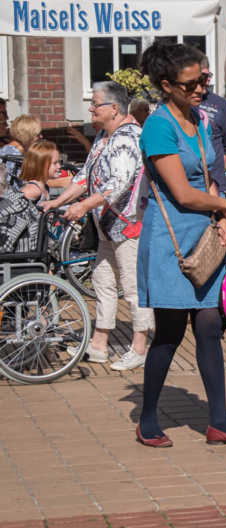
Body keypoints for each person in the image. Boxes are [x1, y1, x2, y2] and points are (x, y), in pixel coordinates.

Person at [136, 41, 226, 447]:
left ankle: (220, 422)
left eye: (204, 79)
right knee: (170, 333)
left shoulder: (199, 121)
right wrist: (225, 206)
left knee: (210, 327)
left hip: (204, 236)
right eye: (192, 82)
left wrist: (222, 219)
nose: (201, 88)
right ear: (166, 85)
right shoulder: (159, 125)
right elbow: (182, 192)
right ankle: (148, 417)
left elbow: (209, 175)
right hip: (172, 239)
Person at [41, 81, 154, 371]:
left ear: (114, 108)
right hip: (106, 225)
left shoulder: (128, 138)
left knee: (133, 287)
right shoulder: (105, 136)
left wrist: (83, 206)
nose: (90, 108)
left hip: (129, 225)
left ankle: (140, 347)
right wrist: (58, 202)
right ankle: (99, 344)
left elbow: (120, 182)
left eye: (95, 103)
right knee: (103, 283)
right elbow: (83, 177)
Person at [0, 140, 59, 253]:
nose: (59, 166)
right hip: (26, 248)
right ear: (42, 165)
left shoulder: (43, 187)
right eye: (55, 163)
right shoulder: (32, 191)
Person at [198, 56, 226, 193]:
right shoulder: (176, 105)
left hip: (215, 186)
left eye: (209, 75)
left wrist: (216, 174)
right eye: (203, 75)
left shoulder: (220, 104)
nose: (208, 79)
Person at [0, 114, 42, 186]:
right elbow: (31, 185)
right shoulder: (13, 157)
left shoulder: (8, 150)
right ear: (27, 135)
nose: (41, 136)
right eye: (37, 134)